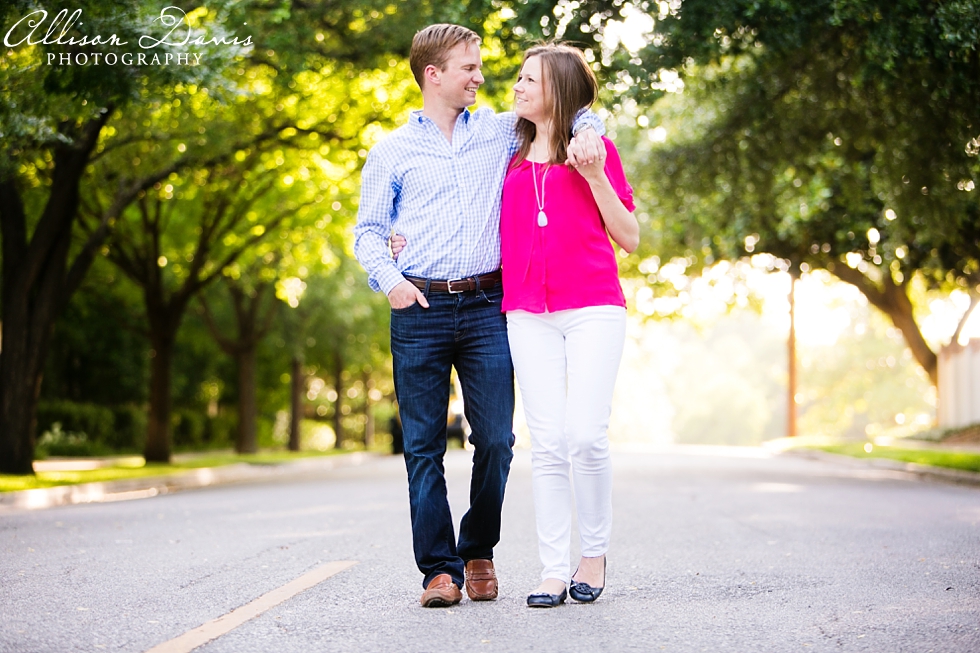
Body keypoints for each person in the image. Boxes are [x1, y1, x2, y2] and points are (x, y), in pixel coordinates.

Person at [352, 24, 605, 608]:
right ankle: (439, 571)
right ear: (433, 74)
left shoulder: (499, 131)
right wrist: (389, 281)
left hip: (490, 304)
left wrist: (588, 125)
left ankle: (478, 548)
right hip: (418, 304)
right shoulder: (391, 150)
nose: (481, 77)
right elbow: (367, 231)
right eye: (469, 67)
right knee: (422, 446)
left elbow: (568, 111)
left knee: (495, 439)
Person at [503, 43, 638, 608]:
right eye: (518, 77)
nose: (517, 86)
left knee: (585, 434)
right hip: (526, 312)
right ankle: (554, 569)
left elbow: (629, 238)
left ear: (557, 88)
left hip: (592, 307)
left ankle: (594, 552)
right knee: (549, 443)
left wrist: (595, 174)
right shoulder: (504, 153)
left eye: (529, 79)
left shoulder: (595, 149)